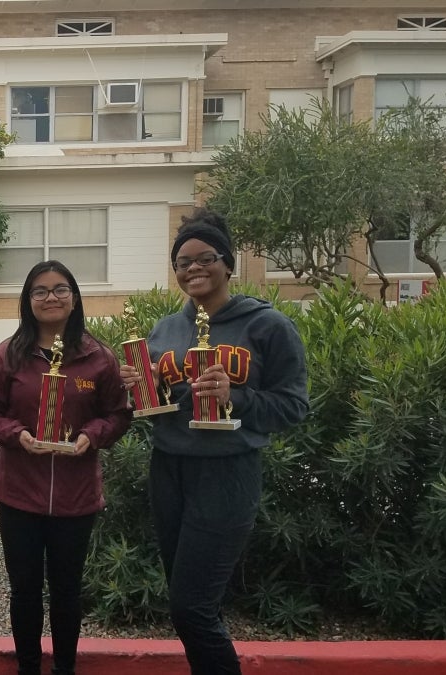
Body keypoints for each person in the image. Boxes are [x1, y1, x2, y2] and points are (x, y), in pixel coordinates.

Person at [121, 208, 308, 675]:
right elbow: (164, 405)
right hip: (168, 470)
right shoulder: (165, 329)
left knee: (191, 609)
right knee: (195, 603)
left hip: (227, 473)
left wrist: (237, 397)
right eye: (183, 262)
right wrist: (140, 389)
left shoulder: (267, 326)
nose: (193, 269)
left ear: (228, 263)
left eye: (205, 258)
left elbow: (293, 406)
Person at [0, 260, 132, 675]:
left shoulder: (98, 357)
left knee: (66, 591)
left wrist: (91, 435)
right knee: (24, 591)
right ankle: (28, 667)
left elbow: (118, 414)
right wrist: (17, 434)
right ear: (28, 301)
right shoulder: (8, 355)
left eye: (60, 289)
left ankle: (64, 667)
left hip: (75, 498)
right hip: (19, 494)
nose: (51, 297)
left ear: (75, 298)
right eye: (40, 291)